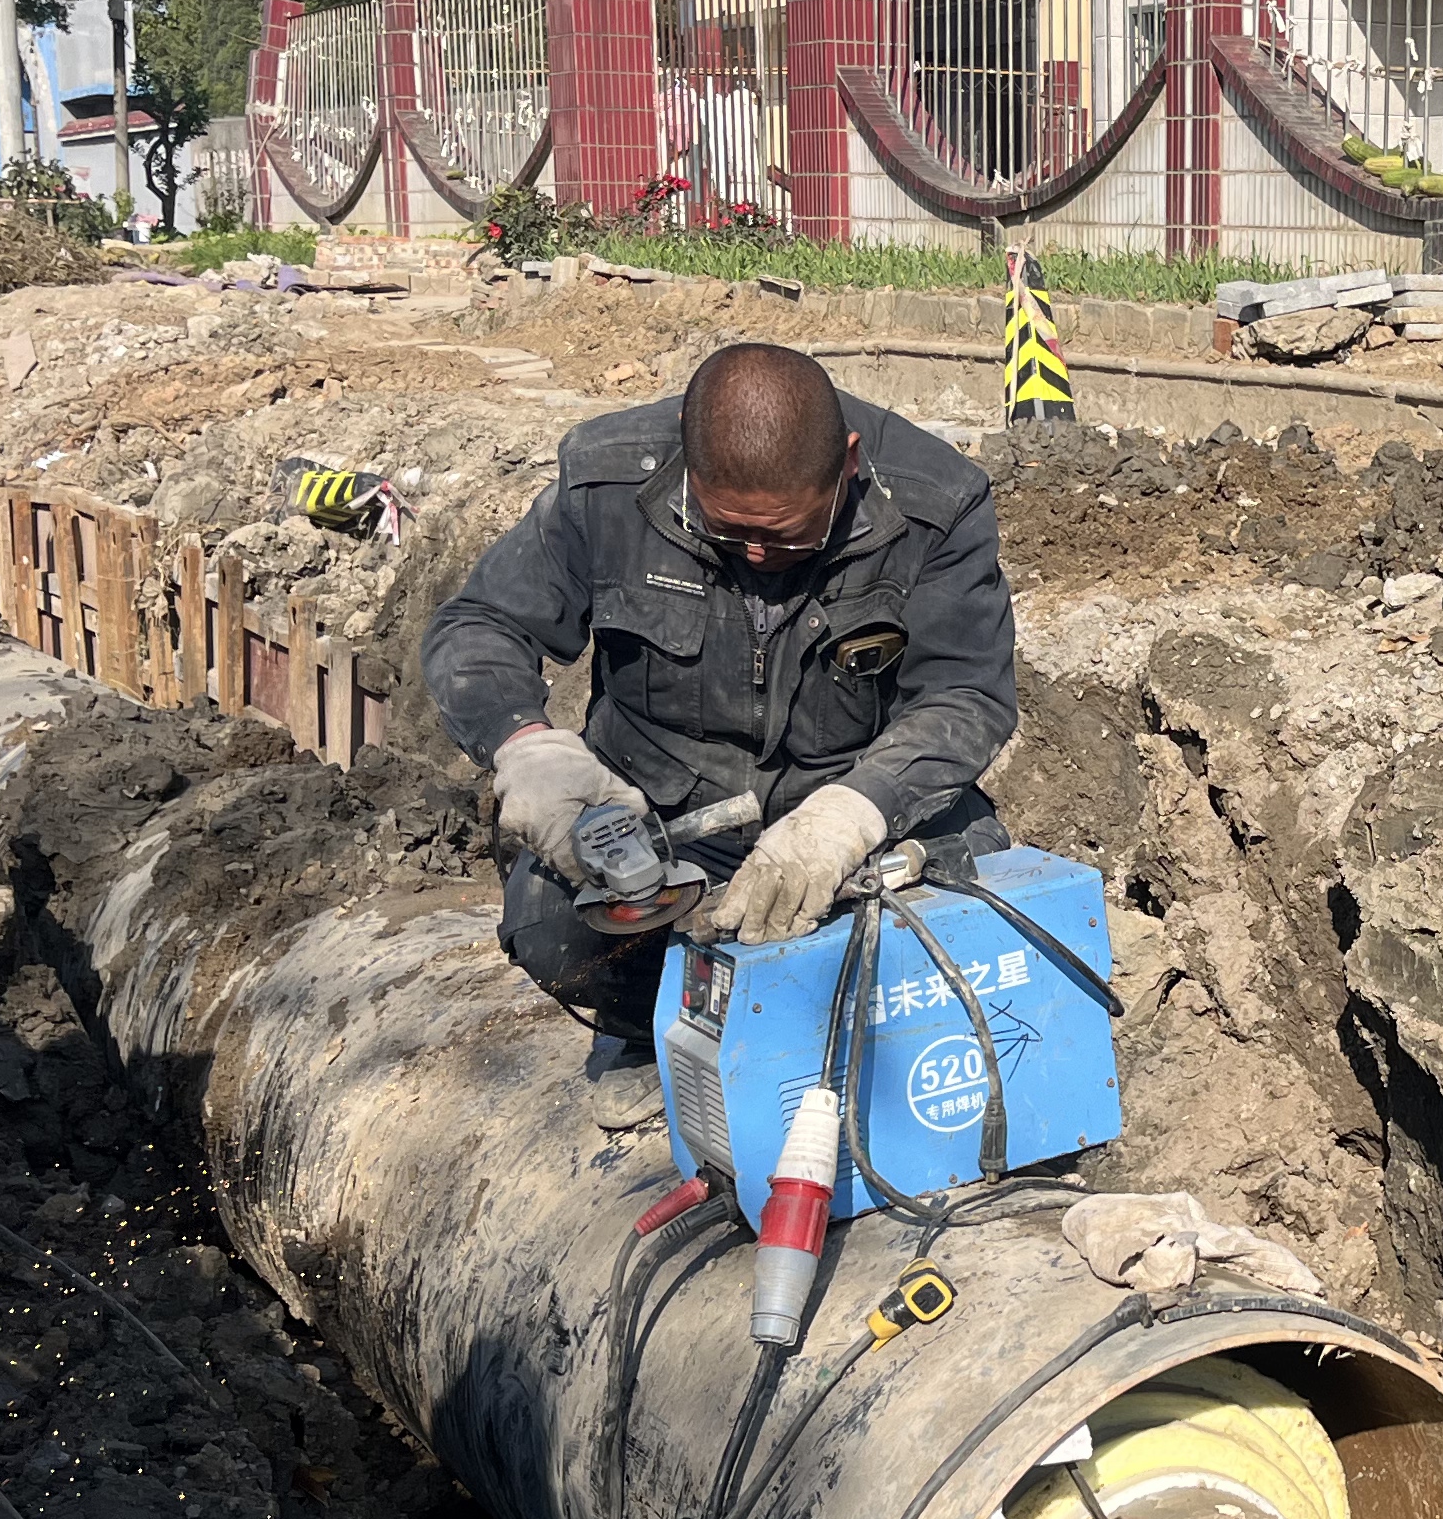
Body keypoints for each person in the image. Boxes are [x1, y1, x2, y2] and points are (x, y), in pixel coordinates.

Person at [422, 342, 1016, 1036]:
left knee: (971, 891)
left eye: (788, 539)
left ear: (848, 466)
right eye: (729, 534)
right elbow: (482, 625)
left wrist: (850, 816)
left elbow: (966, 694)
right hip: (669, 822)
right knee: (558, 932)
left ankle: (854, 1041)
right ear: (686, 463)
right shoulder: (607, 483)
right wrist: (526, 747)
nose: (759, 558)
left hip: (848, 807)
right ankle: (655, 1039)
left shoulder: (935, 505)